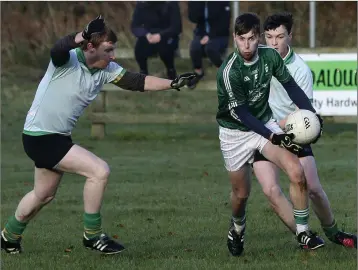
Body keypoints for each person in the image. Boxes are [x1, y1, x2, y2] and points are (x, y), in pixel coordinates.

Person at [1, 15, 196, 255]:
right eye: (108, 50)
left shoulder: (106, 69)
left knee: (43, 194)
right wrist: (82, 35)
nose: (113, 56)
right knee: (99, 171)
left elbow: (136, 81)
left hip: (57, 138)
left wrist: (173, 83)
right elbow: (59, 47)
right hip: (40, 136)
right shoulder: (67, 60)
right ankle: (92, 235)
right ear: (91, 47)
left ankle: (8, 237)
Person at [216, 13, 325, 257]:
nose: (246, 45)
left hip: (264, 123)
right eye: (241, 39)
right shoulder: (229, 71)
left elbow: (292, 88)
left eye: (252, 38)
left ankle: (304, 232)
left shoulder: (269, 57)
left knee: (296, 171)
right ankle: (237, 226)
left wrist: (311, 113)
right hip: (235, 133)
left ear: (259, 39)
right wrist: (272, 135)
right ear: (234, 38)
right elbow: (243, 114)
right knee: (241, 194)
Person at [252, 12, 357, 249]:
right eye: (268, 37)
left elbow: (304, 113)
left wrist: (295, 125)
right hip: (263, 132)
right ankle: (305, 236)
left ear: (291, 36)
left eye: (279, 36)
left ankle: (334, 233)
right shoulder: (255, 60)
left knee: (314, 189)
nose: (274, 42)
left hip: (292, 131)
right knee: (270, 190)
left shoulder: (300, 69)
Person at [131, 1, 182, 80]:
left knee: (165, 48)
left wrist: (161, 35)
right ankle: (143, 73)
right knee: (139, 47)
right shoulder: (142, 4)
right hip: (149, 36)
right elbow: (134, 27)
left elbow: (176, 27)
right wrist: (146, 34)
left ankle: (171, 71)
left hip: (168, 36)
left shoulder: (171, 4)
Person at [186, 1, 231, 89]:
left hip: (220, 35)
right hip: (201, 34)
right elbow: (193, 18)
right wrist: (193, 4)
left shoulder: (223, 2)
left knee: (210, 48)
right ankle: (198, 73)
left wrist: (210, 36)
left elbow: (225, 23)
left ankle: (223, 72)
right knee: (194, 47)